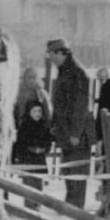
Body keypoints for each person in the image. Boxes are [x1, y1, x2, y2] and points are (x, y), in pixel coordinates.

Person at [47, 38, 93, 209]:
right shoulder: (64, 71)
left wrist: (75, 132)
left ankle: (76, 208)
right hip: (67, 131)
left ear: (61, 53)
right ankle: (71, 204)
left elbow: (80, 106)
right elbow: (59, 103)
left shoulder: (77, 74)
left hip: (77, 134)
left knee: (77, 171)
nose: (50, 58)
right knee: (68, 169)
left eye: (52, 54)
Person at [12, 99, 54, 210]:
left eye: (39, 111)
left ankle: (37, 205)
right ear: (29, 112)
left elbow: (48, 140)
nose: (37, 114)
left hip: (39, 160)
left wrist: (44, 149)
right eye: (34, 111)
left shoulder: (43, 126)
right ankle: (30, 207)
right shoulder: (25, 126)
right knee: (29, 185)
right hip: (28, 160)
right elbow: (21, 144)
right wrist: (32, 149)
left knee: (38, 185)